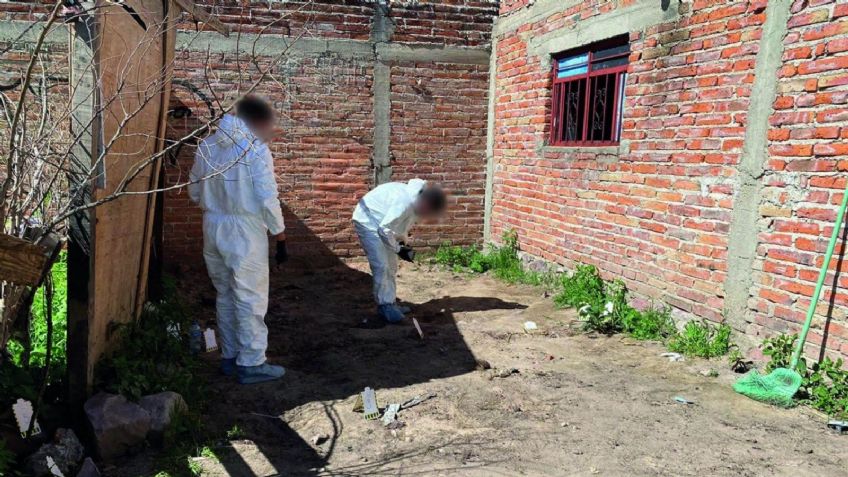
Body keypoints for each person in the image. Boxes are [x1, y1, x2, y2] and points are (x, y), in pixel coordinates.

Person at [189, 96, 288, 384]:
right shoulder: (255, 150)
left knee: (226, 293)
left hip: (212, 225)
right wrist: (279, 235)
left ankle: (230, 357)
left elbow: (194, 192)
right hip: (244, 229)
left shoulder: (206, 146)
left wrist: (215, 204)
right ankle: (252, 362)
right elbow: (267, 199)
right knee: (251, 297)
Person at [352, 179, 447, 323]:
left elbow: (402, 226)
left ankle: (390, 303)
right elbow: (384, 229)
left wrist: (403, 243)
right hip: (368, 222)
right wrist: (398, 249)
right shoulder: (405, 202)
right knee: (381, 266)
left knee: (392, 266)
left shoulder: (417, 203)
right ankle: (384, 307)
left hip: (383, 224)